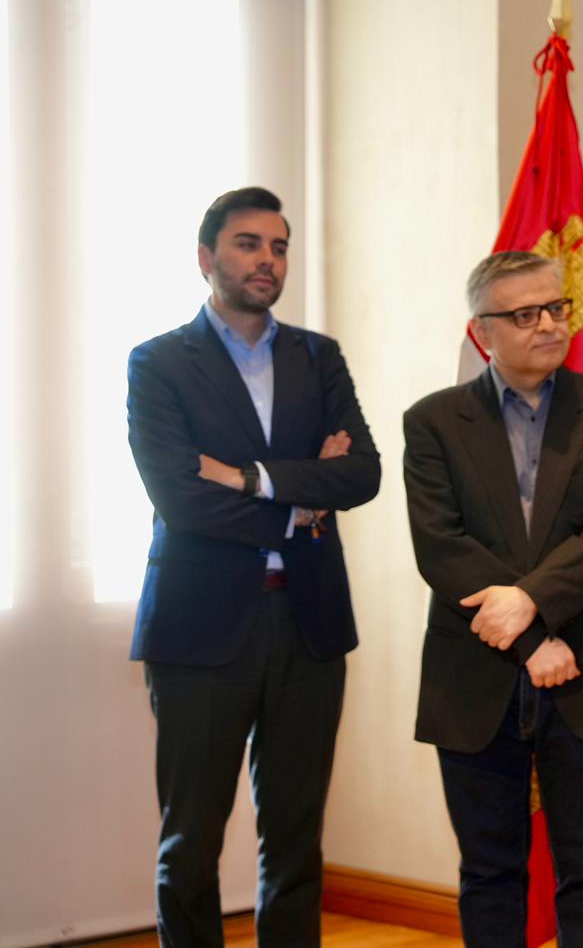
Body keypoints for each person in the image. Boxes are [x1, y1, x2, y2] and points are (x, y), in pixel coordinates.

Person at [127, 185, 381, 946]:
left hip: (309, 623)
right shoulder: (159, 363)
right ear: (206, 259)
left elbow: (362, 473)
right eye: (248, 244)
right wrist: (302, 499)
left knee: (296, 840)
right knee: (191, 841)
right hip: (199, 627)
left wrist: (248, 478)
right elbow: (181, 499)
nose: (267, 259)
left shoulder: (318, 357)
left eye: (279, 246)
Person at [403, 250, 583, 948]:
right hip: (475, 676)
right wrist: (533, 639)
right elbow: (441, 547)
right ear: (481, 332)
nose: (548, 324)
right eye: (524, 314)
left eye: (556, 307)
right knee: (489, 872)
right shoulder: (433, 422)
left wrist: (529, 601)